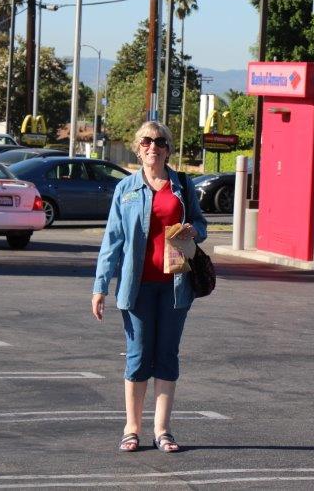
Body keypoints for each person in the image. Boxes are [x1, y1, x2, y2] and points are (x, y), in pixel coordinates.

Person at [91, 120, 207, 453]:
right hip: (137, 287)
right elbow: (112, 241)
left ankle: (162, 430)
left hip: (176, 285)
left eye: (159, 142)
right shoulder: (125, 189)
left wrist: (193, 231)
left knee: (167, 356)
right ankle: (132, 428)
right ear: (137, 147)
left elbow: (201, 224)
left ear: (168, 148)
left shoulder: (183, 185)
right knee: (139, 357)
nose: (152, 147)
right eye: (145, 142)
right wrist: (99, 287)